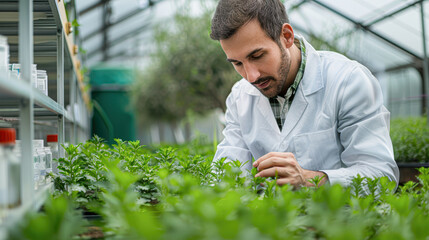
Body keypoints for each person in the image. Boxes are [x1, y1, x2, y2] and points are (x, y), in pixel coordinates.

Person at [210, 0, 399, 187]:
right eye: (237, 63)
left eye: (257, 56)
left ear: (286, 36)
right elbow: (225, 172)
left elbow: (382, 175)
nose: (251, 76)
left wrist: (309, 179)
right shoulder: (239, 97)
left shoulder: (348, 81)